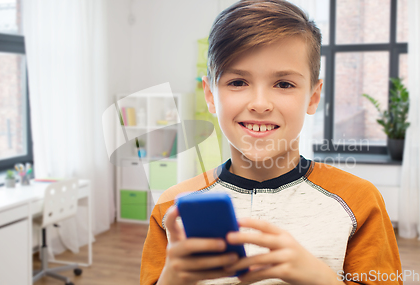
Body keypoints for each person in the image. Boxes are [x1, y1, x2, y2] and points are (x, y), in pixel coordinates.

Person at [140, 0, 403, 284]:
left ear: (313, 97)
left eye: (284, 84)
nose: (260, 104)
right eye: (238, 82)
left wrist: (320, 279)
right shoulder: (172, 209)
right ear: (210, 95)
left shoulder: (360, 202)